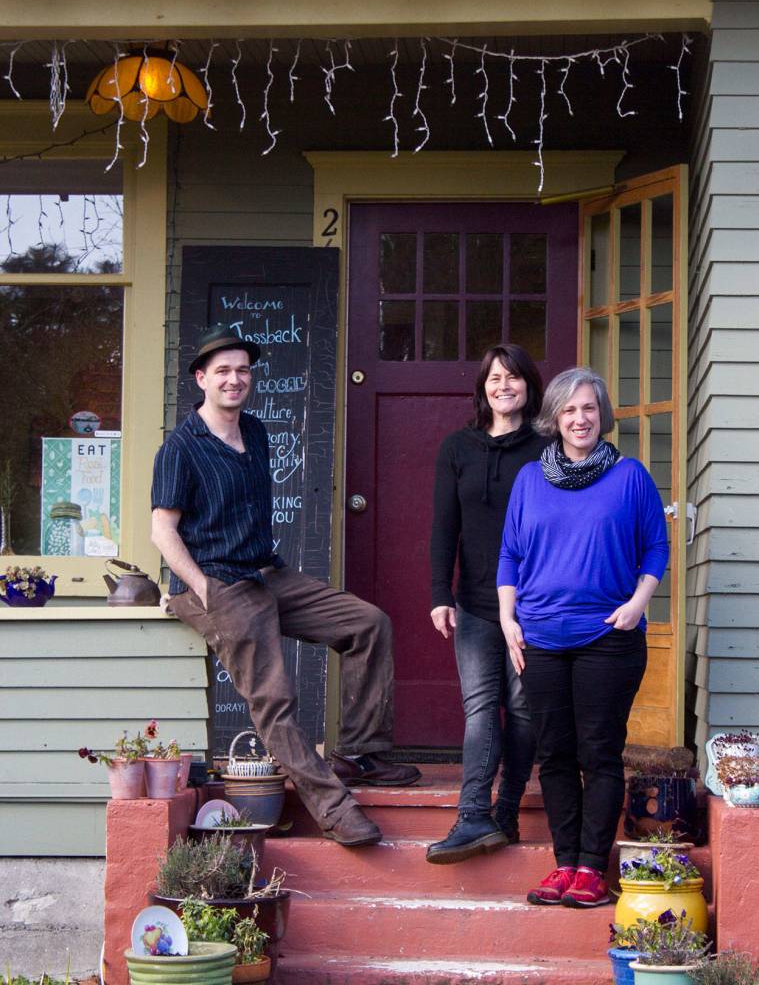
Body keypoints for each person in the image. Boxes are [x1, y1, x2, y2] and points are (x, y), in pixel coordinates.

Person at [151, 323, 419, 848]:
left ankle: (361, 752)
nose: (235, 379)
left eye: (243, 370)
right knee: (274, 699)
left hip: (266, 573)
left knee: (368, 623)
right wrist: (202, 589)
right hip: (219, 583)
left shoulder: (254, 432)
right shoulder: (180, 448)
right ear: (201, 378)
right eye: (223, 371)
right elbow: (162, 530)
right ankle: (335, 810)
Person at [497, 367, 669, 906]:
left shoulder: (630, 476)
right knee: (554, 753)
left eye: (589, 408)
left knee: (599, 753)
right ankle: (564, 864)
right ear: (554, 417)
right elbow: (510, 554)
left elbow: (656, 547)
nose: (580, 419)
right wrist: (508, 620)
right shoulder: (529, 479)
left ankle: (593, 869)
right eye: (569, 409)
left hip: (608, 638)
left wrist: (637, 605)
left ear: (602, 415)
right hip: (541, 637)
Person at [426, 344, 546, 865]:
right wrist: (439, 594)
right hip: (474, 601)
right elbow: (443, 526)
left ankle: (507, 810)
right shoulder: (458, 447)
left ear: (528, 387)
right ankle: (472, 811)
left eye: (514, 377)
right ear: (483, 387)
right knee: (480, 707)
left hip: (533, 603)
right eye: (495, 378)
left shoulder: (547, 447)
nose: (504, 386)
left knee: (521, 710)